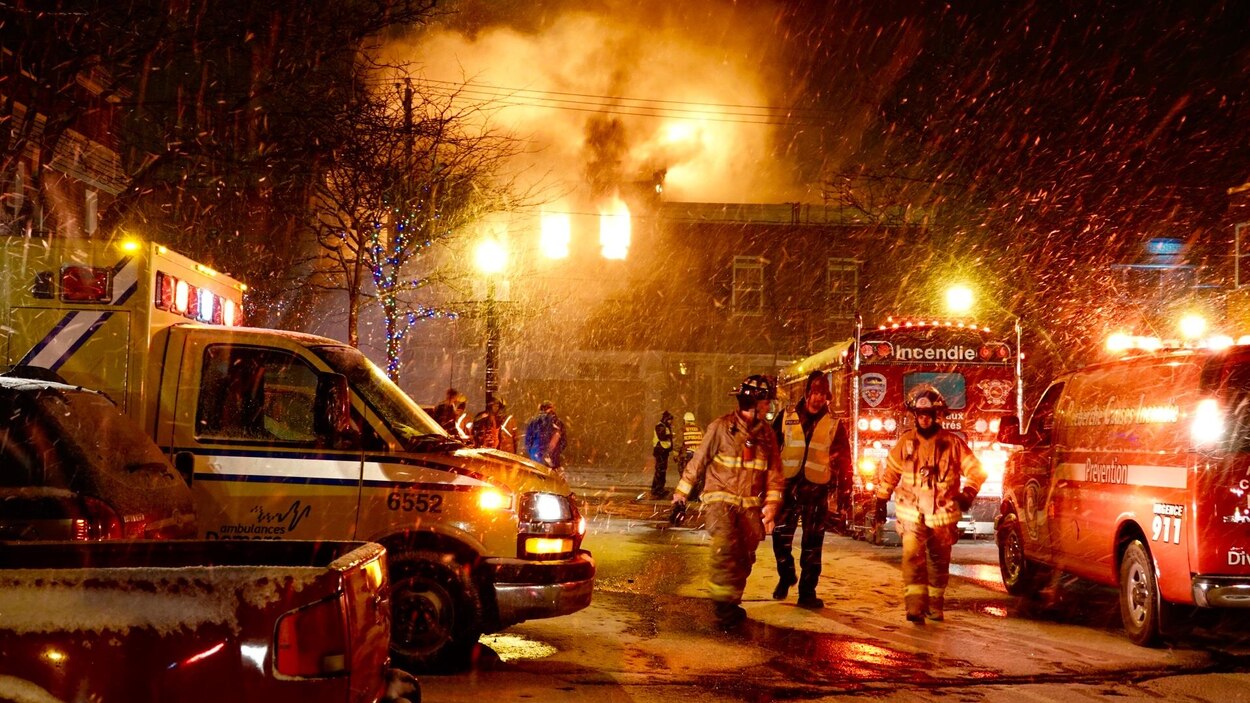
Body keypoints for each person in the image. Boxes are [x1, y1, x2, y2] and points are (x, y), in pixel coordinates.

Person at [671, 374, 785, 631]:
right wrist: (681, 495)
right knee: (725, 548)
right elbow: (698, 461)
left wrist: (771, 506)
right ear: (753, 402)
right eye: (766, 401)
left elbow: (775, 474)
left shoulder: (767, 435)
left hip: (750, 506)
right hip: (720, 499)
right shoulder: (721, 428)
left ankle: (731, 601)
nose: (769, 406)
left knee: (745, 556)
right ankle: (722, 605)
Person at [875, 388, 986, 623]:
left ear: (937, 415)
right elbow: (891, 472)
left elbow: (976, 470)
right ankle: (915, 608)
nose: (924, 418)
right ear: (914, 415)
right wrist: (881, 499)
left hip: (942, 517)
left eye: (928, 414)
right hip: (912, 515)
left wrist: (968, 492)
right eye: (920, 414)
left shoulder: (952, 443)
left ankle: (935, 606)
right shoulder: (906, 443)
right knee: (912, 559)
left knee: (938, 563)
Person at [770, 370, 850, 609]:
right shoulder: (787, 416)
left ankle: (807, 592)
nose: (818, 398)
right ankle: (786, 574)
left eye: (823, 394)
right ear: (807, 393)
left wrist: (844, 492)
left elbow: (844, 460)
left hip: (816, 489)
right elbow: (771, 449)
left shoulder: (835, 423)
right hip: (788, 487)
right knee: (780, 537)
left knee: (813, 543)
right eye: (815, 392)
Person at [668, 411, 705, 525]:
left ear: (685, 420)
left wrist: (675, 455)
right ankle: (696, 495)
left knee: (686, 477)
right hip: (698, 457)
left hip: (687, 456)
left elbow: (678, 444)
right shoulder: (699, 429)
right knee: (698, 477)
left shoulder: (683, 430)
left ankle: (687, 496)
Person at [524, 401, 566, 471]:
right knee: (551, 475)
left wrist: (532, 453)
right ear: (552, 409)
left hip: (535, 458)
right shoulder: (558, 422)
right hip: (552, 460)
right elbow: (563, 442)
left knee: (537, 474)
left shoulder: (534, 422)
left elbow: (528, 441)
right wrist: (556, 452)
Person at [650, 410, 674, 498]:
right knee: (660, 471)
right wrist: (670, 436)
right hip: (660, 451)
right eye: (670, 420)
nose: (671, 422)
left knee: (662, 470)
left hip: (664, 451)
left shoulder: (666, 426)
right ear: (666, 419)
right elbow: (662, 437)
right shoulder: (660, 426)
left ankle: (659, 488)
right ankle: (657, 489)